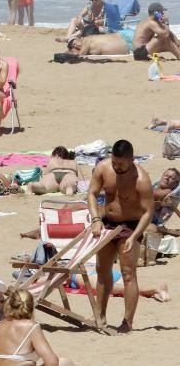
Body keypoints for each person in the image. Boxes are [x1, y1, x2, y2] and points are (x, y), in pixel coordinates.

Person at [87, 139, 154, 333]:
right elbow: (91, 193)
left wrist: (134, 237)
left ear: (131, 159)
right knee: (102, 270)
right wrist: (95, 219)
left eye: (121, 164)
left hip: (131, 226)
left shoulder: (141, 179)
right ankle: (99, 315)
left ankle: (127, 322)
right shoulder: (103, 168)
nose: (116, 167)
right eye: (114, 162)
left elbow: (148, 212)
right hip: (108, 222)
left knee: (128, 273)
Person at [0, 289, 75, 366]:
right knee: (64, 362)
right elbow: (52, 362)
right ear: (30, 308)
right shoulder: (31, 326)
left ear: (9, 305)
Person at [64, 32, 131, 56]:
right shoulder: (88, 50)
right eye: (74, 46)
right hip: (125, 44)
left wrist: (68, 52)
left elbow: (81, 55)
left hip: (124, 36)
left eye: (75, 43)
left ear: (79, 38)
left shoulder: (86, 40)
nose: (76, 45)